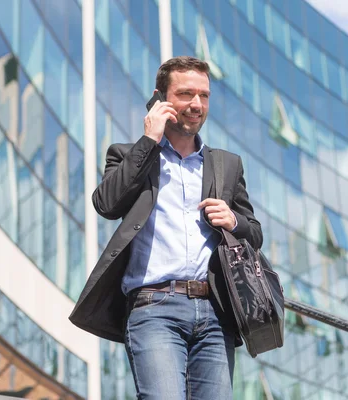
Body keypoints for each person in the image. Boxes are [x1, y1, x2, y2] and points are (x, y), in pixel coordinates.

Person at [69, 56, 263, 399]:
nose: (196, 104)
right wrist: (149, 140)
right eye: (186, 94)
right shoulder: (129, 154)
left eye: (203, 96)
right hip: (154, 308)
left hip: (216, 314)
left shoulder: (226, 165)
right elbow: (107, 204)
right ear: (160, 98)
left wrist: (234, 221)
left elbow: (255, 233)